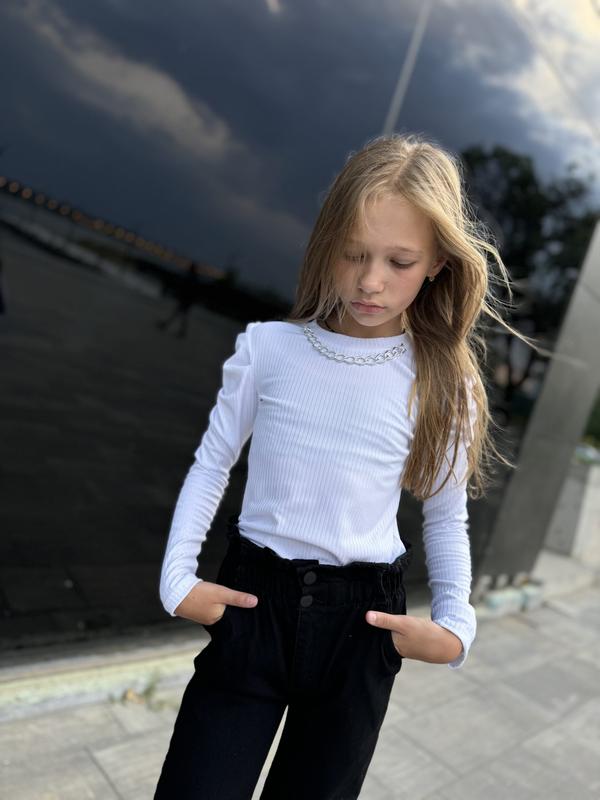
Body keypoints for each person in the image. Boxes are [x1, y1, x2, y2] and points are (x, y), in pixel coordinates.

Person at [154, 133, 537, 799]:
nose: (370, 280)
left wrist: (456, 624)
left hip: (362, 630)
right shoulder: (269, 349)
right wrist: (176, 579)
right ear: (327, 242)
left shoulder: (445, 382)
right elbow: (212, 464)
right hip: (253, 606)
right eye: (354, 252)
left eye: (399, 261)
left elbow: (445, 516)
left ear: (437, 263)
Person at [156, 262, 201, 338]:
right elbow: (192, 291)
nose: (188, 269)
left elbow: (186, 289)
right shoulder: (194, 278)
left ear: (191, 269)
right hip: (187, 301)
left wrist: (179, 295)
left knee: (179, 314)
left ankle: (170, 327)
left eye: (190, 267)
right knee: (180, 315)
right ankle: (176, 329)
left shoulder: (191, 277)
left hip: (186, 300)